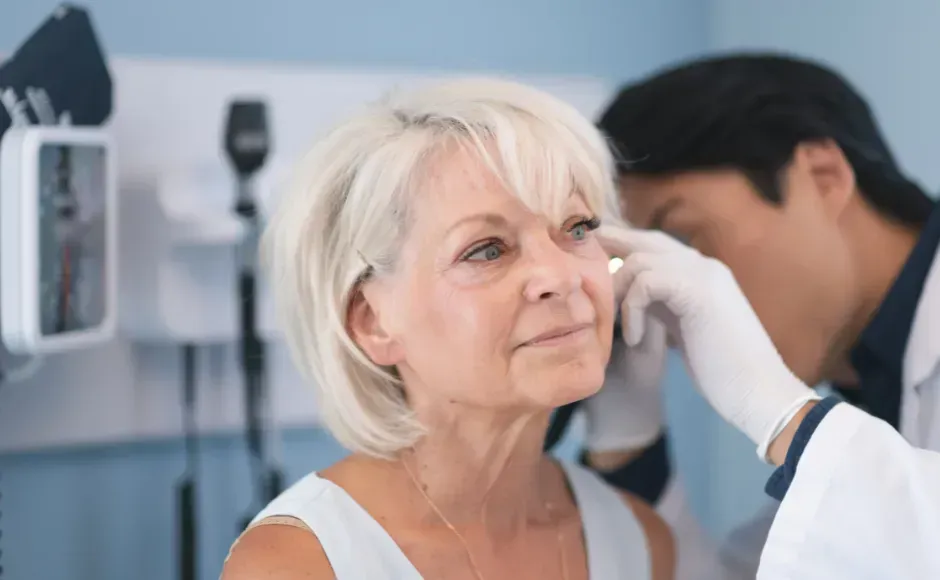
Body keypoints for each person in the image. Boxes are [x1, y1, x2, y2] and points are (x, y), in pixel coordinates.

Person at [221, 77, 675, 579]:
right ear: (374, 322)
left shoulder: (640, 542)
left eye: (577, 228)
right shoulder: (299, 566)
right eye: (488, 249)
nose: (563, 277)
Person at [580, 52, 940, 578]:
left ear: (822, 174)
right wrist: (627, 442)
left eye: (682, 240)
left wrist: (781, 412)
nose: (674, 297)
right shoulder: (873, 396)